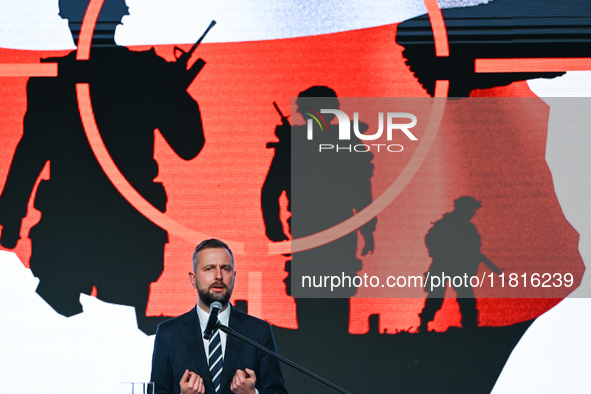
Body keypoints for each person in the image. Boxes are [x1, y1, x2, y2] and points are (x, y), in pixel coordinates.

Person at [0, 0, 204, 334]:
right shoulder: (146, 73)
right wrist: (173, 90)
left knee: (64, 332)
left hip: (73, 230)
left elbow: (29, 155)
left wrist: (10, 220)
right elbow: (189, 145)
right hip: (122, 232)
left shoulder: (53, 79)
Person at [261, 86, 376, 334]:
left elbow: (270, 191)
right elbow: (362, 193)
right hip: (326, 227)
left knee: (329, 285)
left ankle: (323, 343)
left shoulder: (297, 144)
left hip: (323, 228)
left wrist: (275, 228)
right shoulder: (333, 143)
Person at [151, 239, 287, 394]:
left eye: (225, 269)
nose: (218, 276)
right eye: (209, 269)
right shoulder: (168, 333)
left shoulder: (259, 331)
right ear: (193, 279)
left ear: (234, 277)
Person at [418, 196, 502, 332]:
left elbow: (474, 250)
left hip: (457, 267)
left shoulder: (464, 227)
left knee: (464, 296)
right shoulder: (447, 225)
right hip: (444, 265)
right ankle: (424, 324)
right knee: (438, 296)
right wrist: (440, 254)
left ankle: (469, 326)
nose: (473, 213)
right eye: (471, 209)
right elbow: (431, 240)